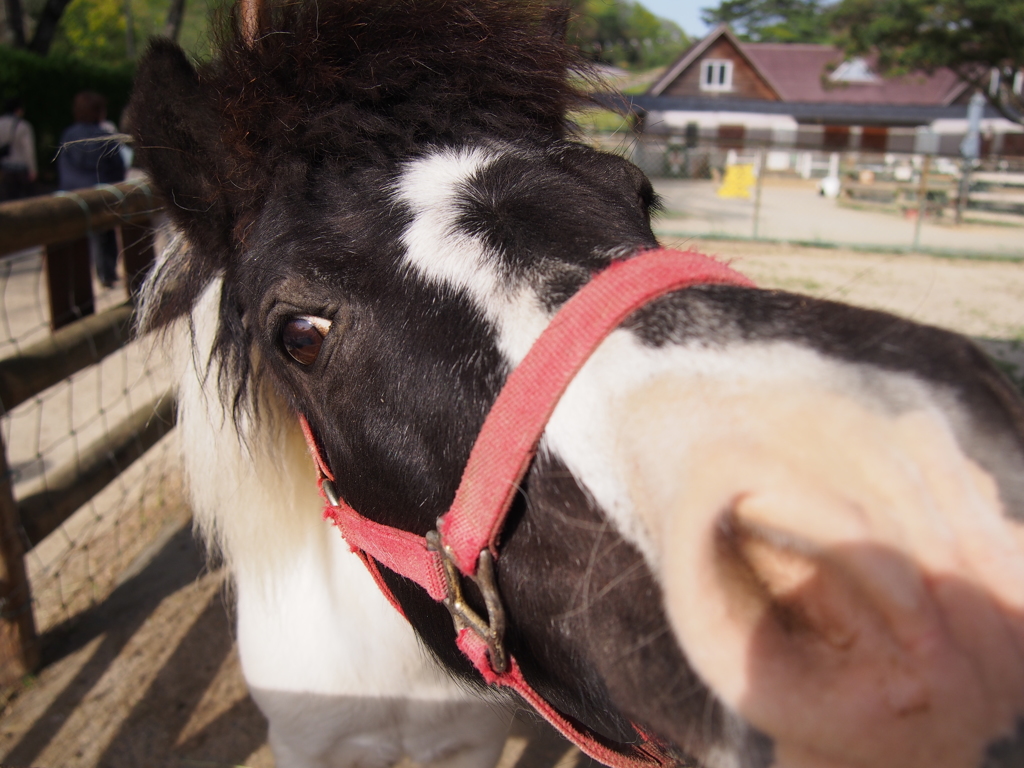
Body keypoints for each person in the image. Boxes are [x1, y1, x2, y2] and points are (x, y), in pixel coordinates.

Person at [58, 91, 126, 287]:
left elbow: (63, 167)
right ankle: (107, 274)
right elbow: (118, 168)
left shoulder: (68, 135)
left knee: (76, 241)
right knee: (104, 236)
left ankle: (77, 280)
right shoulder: (104, 137)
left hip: (71, 195)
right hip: (101, 194)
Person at [0, 98, 37, 201]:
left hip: (4, 169)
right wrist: (33, 169)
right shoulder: (23, 126)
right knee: (24, 201)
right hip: (21, 170)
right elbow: (29, 150)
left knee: (7, 201)